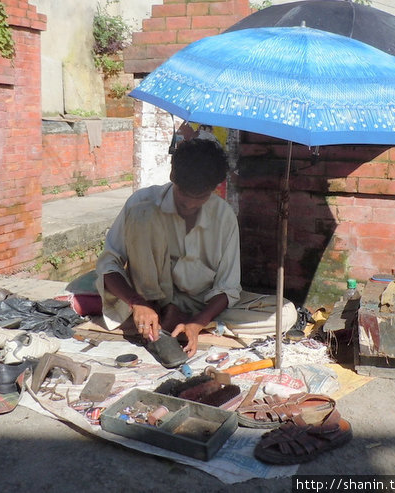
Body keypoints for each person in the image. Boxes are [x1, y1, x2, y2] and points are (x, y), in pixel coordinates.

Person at [95, 137, 296, 358]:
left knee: (285, 314)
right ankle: (158, 314)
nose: (190, 205)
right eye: (183, 197)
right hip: (148, 299)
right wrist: (137, 303)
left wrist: (198, 323)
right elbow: (108, 264)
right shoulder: (141, 203)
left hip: (198, 305)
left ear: (214, 188)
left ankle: (183, 323)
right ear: (172, 177)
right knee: (144, 215)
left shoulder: (224, 216)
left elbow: (228, 287)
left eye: (200, 197)